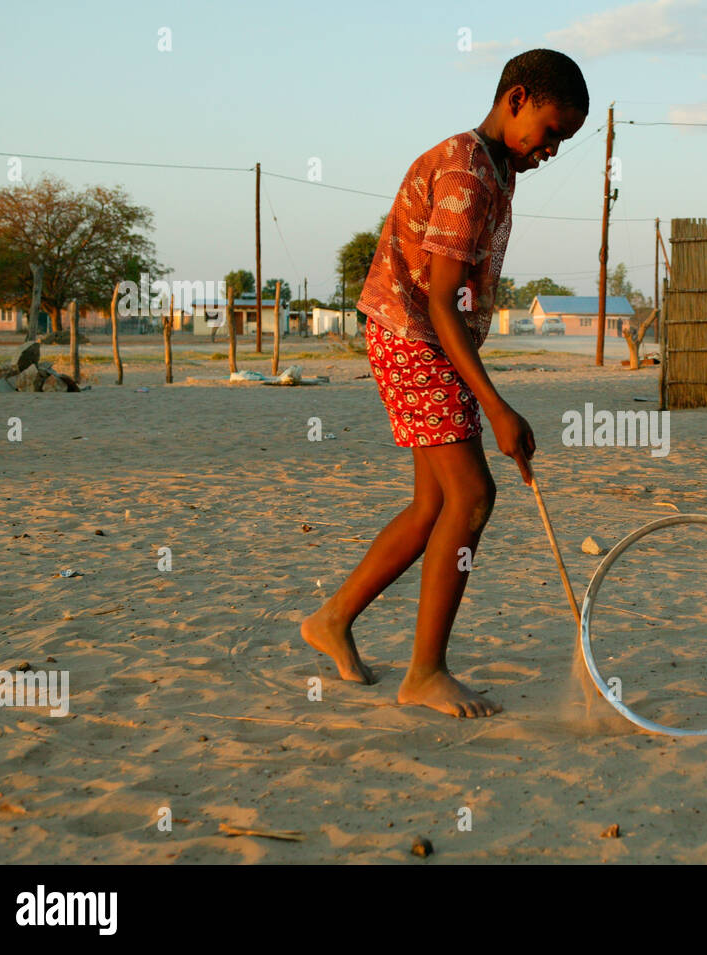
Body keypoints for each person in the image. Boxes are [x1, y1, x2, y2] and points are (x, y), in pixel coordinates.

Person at [301, 49, 588, 718]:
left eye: (562, 143)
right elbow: (438, 301)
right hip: (412, 337)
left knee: (434, 505)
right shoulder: (468, 173)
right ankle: (425, 671)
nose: (549, 151)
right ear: (515, 99)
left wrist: (489, 402)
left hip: (428, 341)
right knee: (474, 492)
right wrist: (498, 407)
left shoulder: (496, 169)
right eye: (548, 132)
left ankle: (334, 618)